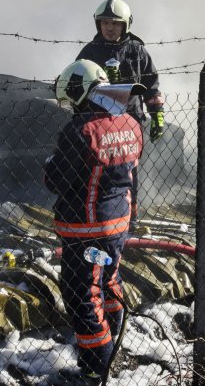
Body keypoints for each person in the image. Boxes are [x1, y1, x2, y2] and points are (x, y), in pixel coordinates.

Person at [45, 59, 145, 383]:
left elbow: (57, 179)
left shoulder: (79, 130)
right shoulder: (129, 123)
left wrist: (50, 164)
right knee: (108, 280)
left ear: (78, 91)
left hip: (86, 235)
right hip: (117, 226)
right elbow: (129, 173)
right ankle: (112, 340)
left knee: (82, 294)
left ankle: (96, 367)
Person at [76, 0, 165, 142]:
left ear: (125, 25)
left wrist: (157, 115)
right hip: (98, 123)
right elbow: (76, 83)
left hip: (131, 121)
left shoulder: (137, 51)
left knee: (129, 163)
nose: (109, 28)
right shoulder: (90, 52)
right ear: (99, 24)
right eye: (105, 23)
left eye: (115, 23)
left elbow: (151, 85)